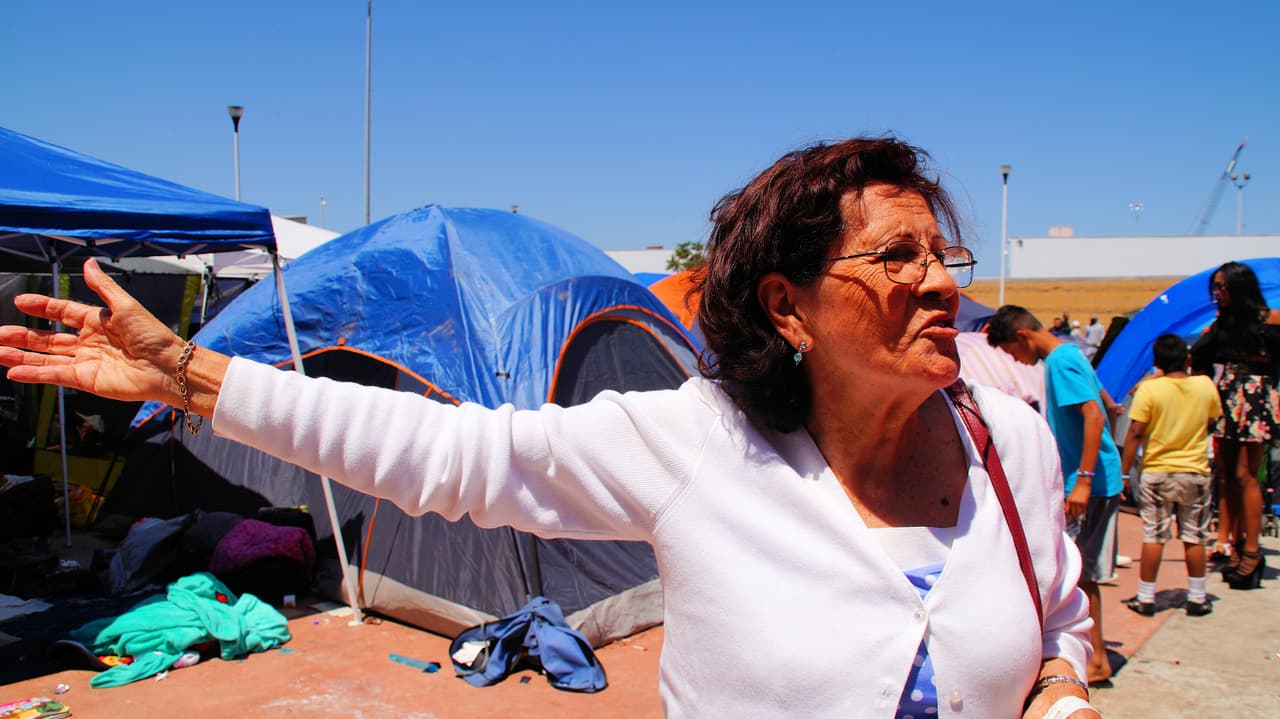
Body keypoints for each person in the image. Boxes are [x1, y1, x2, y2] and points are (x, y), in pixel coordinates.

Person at [0, 137, 1097, 718]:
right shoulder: (698, 441)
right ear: (785, 306)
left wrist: (1060, 686)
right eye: (893, 257)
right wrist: (196, 377)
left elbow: (1056, 618)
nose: (938, 284)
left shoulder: (1013, 445)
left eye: (939, 256)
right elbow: (446, 455)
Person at [987, 305, 1122, 685]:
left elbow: (1094, 416)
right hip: (1096, 477)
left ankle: (1095, 662)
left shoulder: (1059, 363)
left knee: (1082, 574)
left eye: (1014, 353)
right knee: (1082, 571)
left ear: (1023, 337)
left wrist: (1083, 479)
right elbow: (1107, 403)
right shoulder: (1070, 353)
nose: (1018, 360)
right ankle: (1094, 657)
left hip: (1090, 484)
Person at [1189, 261, 1280, 590]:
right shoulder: (1220, 323)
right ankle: (1230, 542)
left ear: (1238, 287)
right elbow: (1198, 358)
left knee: (1245, 474)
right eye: (1215, 287)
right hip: (1227, 394)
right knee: (1227, 473)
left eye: (1222, 286)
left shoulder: (1269, 319)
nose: (1217, 293)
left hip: (1256, 395)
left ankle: (1251, 550)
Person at [1119, 334, 1222, 617]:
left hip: (1157, 470)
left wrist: (1125, 473)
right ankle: (1198, 597)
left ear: (1157, 364)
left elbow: (1135, 433)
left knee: (1154, 535)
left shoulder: (1150, 392)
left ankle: (1146, 596)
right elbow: (1212, 418)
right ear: (1187, 359)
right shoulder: (1204, 386)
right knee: (1194, 535)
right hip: (1194, 469)